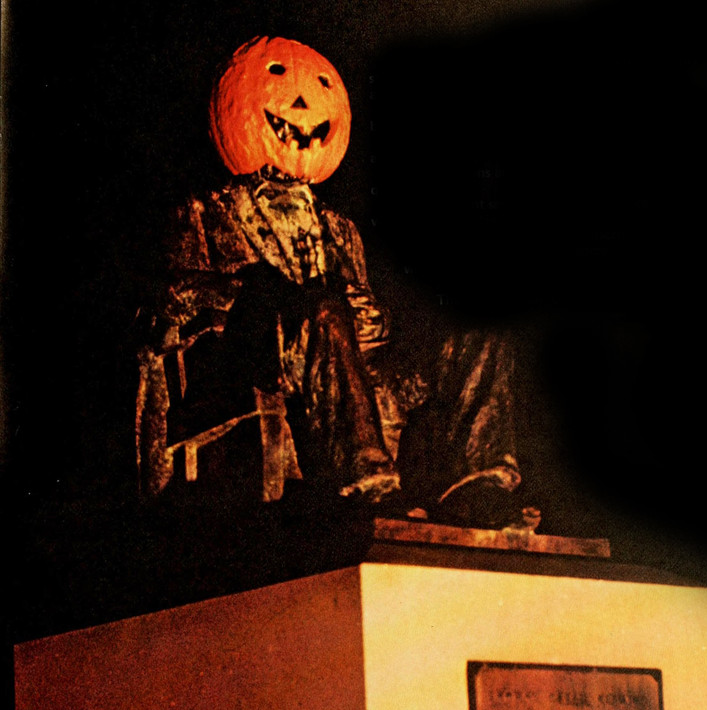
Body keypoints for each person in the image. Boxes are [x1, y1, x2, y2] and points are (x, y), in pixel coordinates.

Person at [136, 34, 524, 526]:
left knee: (478, 325)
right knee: (324, 305)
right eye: (278, 75)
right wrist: (265, 295)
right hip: (264, 353)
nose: (303, 101)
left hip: (355, 366)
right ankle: (365, 483)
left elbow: (368, 323)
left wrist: (372, 316)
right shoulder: (204, 211)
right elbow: (170, 299)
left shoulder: (340, 228)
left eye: (322, 84)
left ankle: (480, 482)